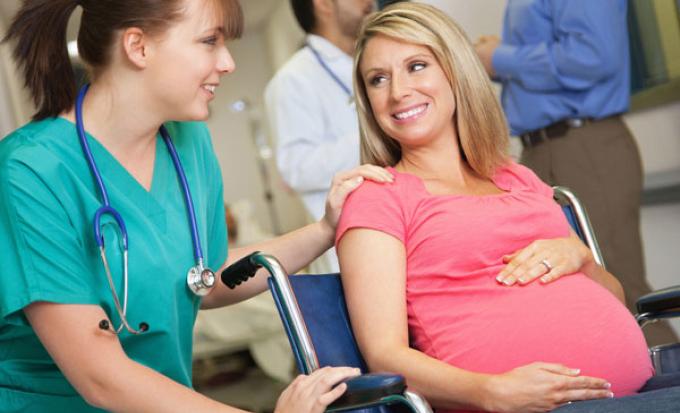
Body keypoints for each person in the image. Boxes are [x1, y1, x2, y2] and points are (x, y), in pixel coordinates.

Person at [0, 1, 394, 412]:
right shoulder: (30, 171)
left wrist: (325, 230)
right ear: (138, 47)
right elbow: (100, 376)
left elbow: (207, 276)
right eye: (210, 41)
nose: (227, 63)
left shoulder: (189, 143)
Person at [336, 3, 680, 413]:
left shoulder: (517, 177)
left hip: (634, 392)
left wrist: (581, 259)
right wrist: (490, 391)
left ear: (455, 71)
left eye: (416, 66)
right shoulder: (378, 197)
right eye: (378, 79)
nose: (397, 91)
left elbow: (615, 295)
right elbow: (385, 356)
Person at [473, 0, 677, 347]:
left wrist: (502, 57)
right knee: (569, 290)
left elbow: (594, 57)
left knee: (616, 281)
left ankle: (668, 390)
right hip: (543, 149)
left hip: (582, 145)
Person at [264, 0, 375, 272]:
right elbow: (296, 168)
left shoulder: (369, 58)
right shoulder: (293, 79)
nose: (369, 2)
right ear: (324, 4)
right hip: (355, 246)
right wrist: (375, 134)